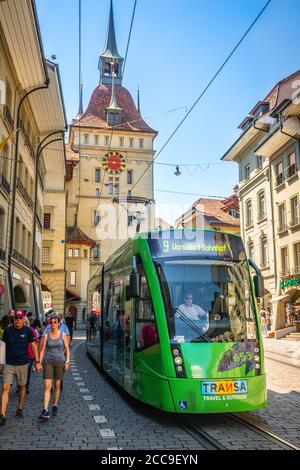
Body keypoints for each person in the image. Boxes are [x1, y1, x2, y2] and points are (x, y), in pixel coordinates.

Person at [0, 310, 41, 426]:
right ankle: (2, 415)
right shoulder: (7, 331)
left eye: (20, 318)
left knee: (22, 387)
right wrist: (1, 362)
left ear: (23, 319)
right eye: (16, 318)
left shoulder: (28, 331)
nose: (18, 320)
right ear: (13, 319)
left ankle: (20, 408)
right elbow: (2, 347)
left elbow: (34, 346)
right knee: (5, 388)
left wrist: (37, 361)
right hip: (9, 363)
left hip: (23, 364)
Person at [38, 313, 70, 420]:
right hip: (48, 362)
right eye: (51, 322)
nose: (52, 324)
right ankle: (45, 409)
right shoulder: (47, 335)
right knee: (47, 386)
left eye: (55, 322)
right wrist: (38, 362)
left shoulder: (63, 334)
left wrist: (67, 362)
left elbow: (67, 349)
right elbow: (42, 350)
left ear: (58, 323)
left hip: (60, 362)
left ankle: (55, 405)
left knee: (57, 386)